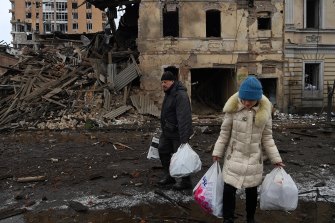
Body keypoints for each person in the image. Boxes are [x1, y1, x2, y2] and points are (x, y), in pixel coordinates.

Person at [212, 75, 285, 223]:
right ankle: (228, 218)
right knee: (228, 190)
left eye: (250, 100)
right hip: (234, 156)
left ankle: (250, 218)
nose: (246, 103)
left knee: (251, 191)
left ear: (257, 98)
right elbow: (224, 133)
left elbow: (268, 138)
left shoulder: (264, 112)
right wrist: (217, 152)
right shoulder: (233, 109)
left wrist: (276, 159)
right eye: (243, 99)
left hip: (253, 158)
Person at [157, 71, 193, 190]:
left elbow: (184, 117)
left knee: (182, 157)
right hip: (168, 132)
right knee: (162, 150)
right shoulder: (169, 93)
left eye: (165, 82)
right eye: (162, 82)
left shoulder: (180, 95)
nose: (163, 84)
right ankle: (169, 176)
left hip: (178, 133)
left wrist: (184, 138)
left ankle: (186, 181)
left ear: (172, 81)